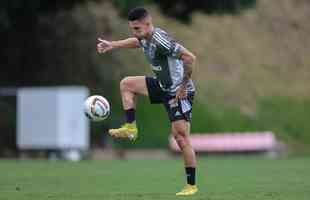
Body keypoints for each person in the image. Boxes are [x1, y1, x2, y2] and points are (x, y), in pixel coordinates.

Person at [97, 7, 198, 196]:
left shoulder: (162, 41)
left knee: (181, 138)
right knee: (127, 84)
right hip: (162, 85)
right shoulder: (144, 37)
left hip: (178, 92)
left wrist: (183, 86)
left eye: (137, 28)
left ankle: (191, 185)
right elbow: (136, 42)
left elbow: (189, 58)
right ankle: (130, 127)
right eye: (132, 28)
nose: (134, 32)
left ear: (148, 24)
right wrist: (113, 44)